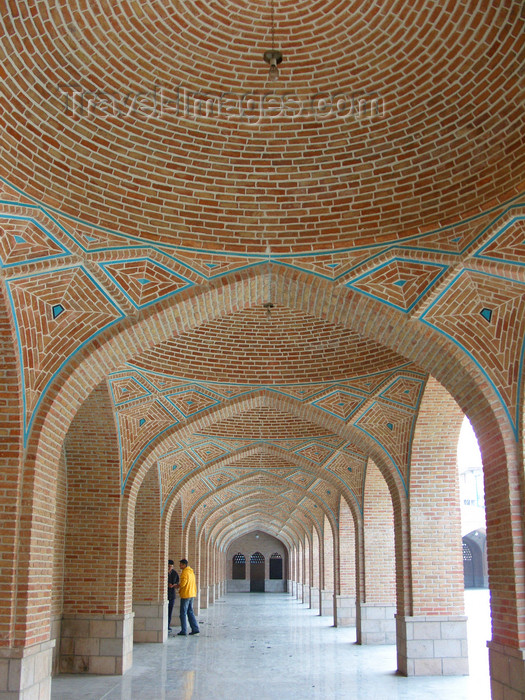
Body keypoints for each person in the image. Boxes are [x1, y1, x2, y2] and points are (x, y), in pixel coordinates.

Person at [176, 559, 200, 636]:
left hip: (186, 594)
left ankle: (184, 630)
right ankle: (195, 628)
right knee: (190, 612)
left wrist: (176, 586)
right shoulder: (191, 572)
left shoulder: (185, 573)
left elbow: (183, 584)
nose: (179, 566)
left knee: (183, 613)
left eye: (180, 564)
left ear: (184, 565)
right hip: (192, 594)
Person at [167, 559, 179, 633]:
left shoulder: (174, 573)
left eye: (171, 566)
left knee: (170, 611)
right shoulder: (164, 573)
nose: (169, 568)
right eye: (168, 566)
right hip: (164, 594)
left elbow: (177, 582)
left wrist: (174, 585)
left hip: (172, 594)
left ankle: (168, 625)